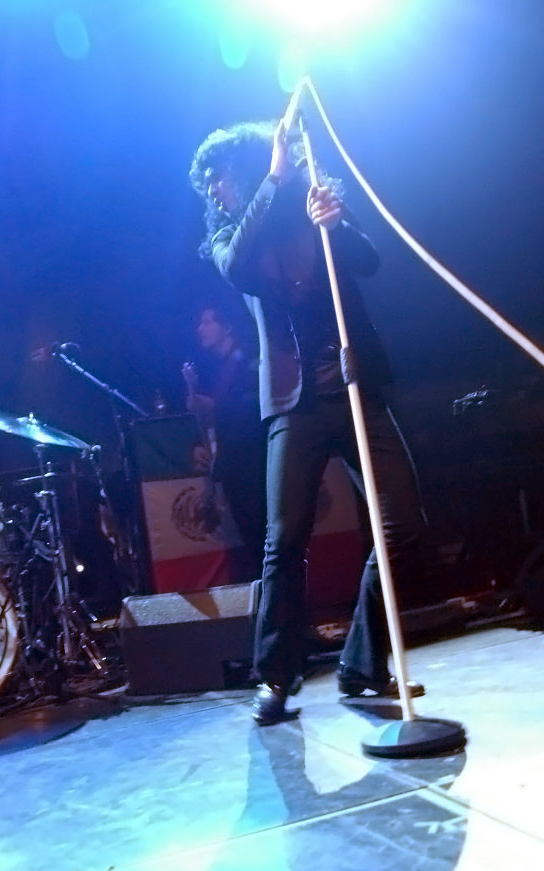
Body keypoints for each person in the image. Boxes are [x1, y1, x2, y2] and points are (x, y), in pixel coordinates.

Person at [189, 119, 426, 724]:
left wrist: (336, 224)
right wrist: (273, 181)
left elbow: (369, 261)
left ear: (242, 168)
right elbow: (236, 267)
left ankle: (362, 663)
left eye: (220, 177)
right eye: (208, 183)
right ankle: (275, 675)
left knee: (402, 523)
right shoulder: (231, 237)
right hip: (294, 403)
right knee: (285, 539)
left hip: (355, 385)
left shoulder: (314, 204)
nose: (213, 190)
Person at [182, 304, 266, 576]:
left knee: (262, 530)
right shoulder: (211, 368)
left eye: (208, 322)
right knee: (246, 534)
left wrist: (215, 406)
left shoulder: (250, 359)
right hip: (231, 464)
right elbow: (205, 415)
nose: (200, 329)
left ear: (227, 327)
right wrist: (197, 443)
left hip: (254, 461)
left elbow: (253, 405)